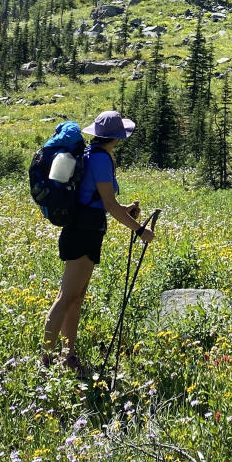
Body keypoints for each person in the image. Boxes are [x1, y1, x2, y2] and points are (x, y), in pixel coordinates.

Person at [42, 110, 153, 372]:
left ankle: (67, 356)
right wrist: (139, 229)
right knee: (66, 297)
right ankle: (45, 360)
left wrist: (124, 209)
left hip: (83, 227)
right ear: (115, 137)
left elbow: (99, 200)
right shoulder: (101, 160)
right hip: (84, 231)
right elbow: (109, 204)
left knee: (75, 297)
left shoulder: (93, 155)